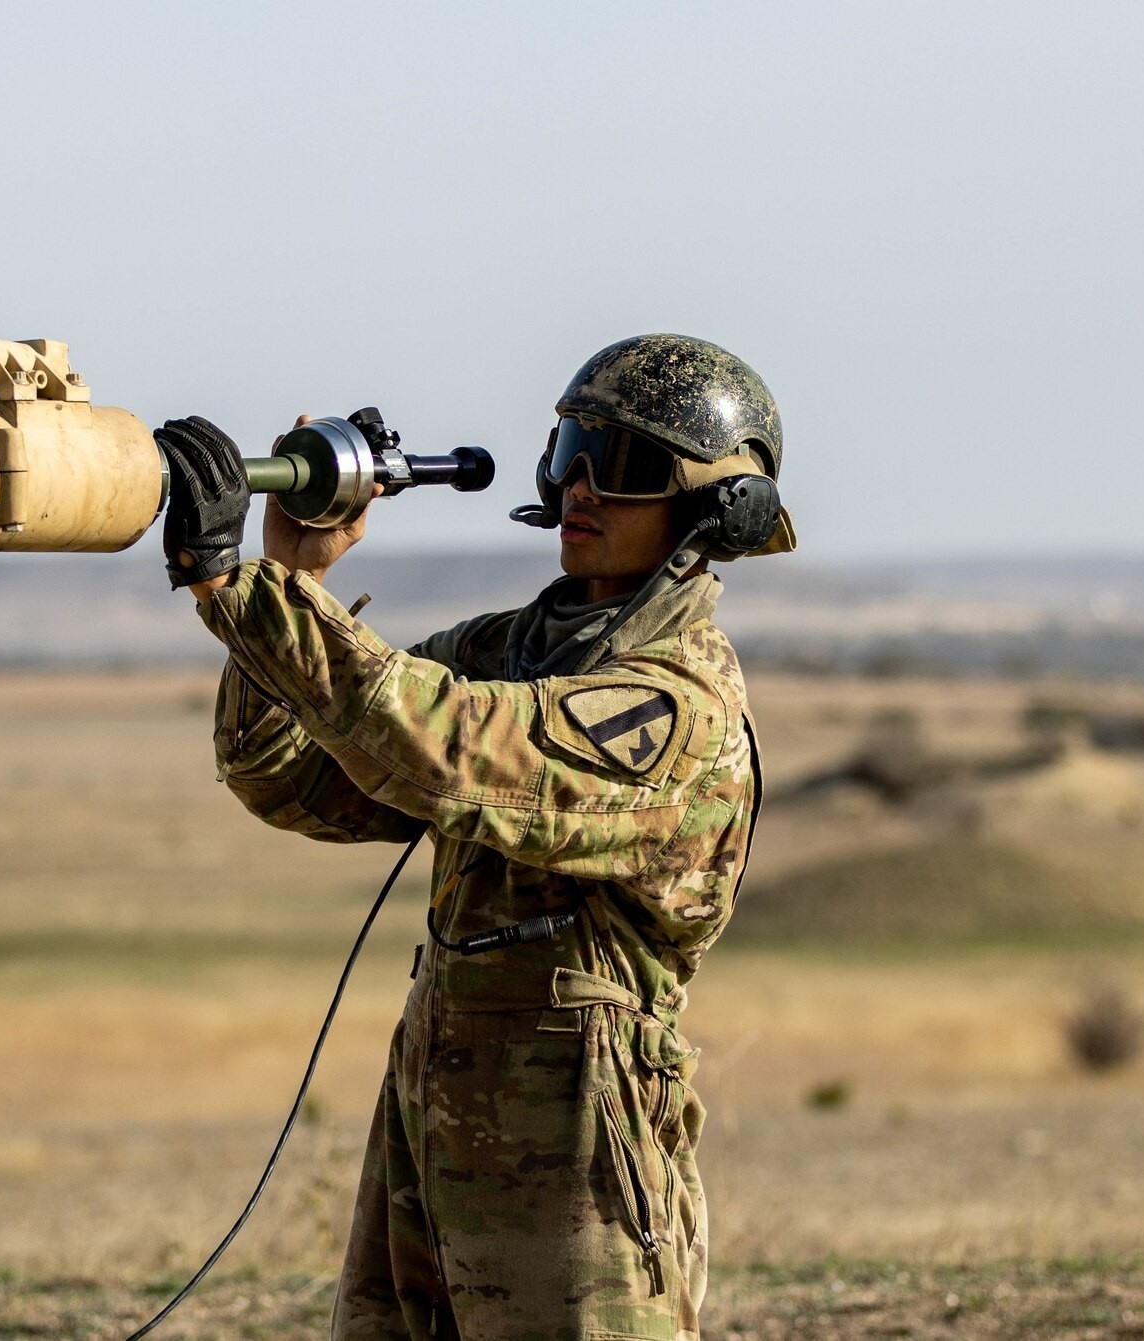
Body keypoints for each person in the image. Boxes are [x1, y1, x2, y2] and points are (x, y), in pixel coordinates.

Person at [154, 334, 795, 1341]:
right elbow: (294, 779)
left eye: (620, 467)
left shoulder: (670, 709)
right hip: (438, 1095)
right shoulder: (509, 653)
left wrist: (240, 590)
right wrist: (290, 575)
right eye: (569, 449)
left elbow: (445, 749)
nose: (578, 487)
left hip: (578, 1120)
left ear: (714, 511)